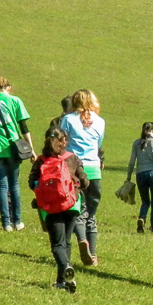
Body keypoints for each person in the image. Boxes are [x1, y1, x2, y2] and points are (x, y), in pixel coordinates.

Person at [29, 127, 90, 292]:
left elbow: (31, 182)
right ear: (64, 141)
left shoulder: (41, 160)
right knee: (67, 241)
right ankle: (63, 279)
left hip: (49, 206)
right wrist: (77, 186)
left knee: (57, 244)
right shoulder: (72, 158)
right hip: (71, 204)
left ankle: (65, 270)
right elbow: (85, 182)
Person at [0, 73, 35, 232]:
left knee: (1, 185)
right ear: (8, 88)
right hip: (13, 147)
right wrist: (31, 149)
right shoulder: (15, 101)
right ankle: (17, 221)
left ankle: (5, 223)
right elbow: (23, 127)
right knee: (14, 185)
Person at [60, 89, 105, 265]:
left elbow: (61, 142)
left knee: (78, 208)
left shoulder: (68, 119)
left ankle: (81, 240)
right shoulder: (100, 122)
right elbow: (99, 144)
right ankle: (93, 255)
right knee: (91, 214)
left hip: (74, 169)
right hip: (94, 170)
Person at [126, 122, 153, 234]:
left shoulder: (136, 143)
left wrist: (128, 177)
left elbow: (132, 162)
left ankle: (142, 217)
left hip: (140, 174)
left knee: (145, 201)